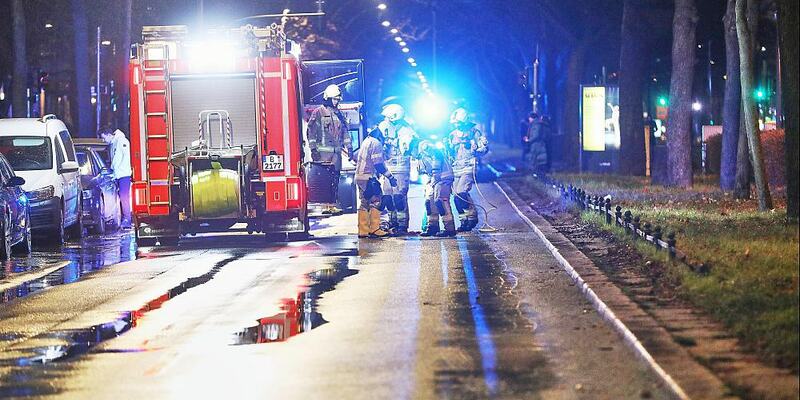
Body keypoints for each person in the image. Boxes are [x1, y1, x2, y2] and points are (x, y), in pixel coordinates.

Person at [306, 84, 353, 214]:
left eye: (338, 99)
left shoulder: (339, 114)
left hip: (336, 155)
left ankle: (332, 204)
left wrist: (349, 148)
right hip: (322, 155)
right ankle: (326, 206)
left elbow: (345, 132)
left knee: (335, 179)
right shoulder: (319, 112)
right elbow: (311, 131)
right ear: (328, 98)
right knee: (325, 181)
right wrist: (313, 149)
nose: (337, 102)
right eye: (335, 99)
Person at [378, 103, 418, 235]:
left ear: (394, 117)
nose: (386, 121)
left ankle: (402, 225)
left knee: (399, 197)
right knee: (388, 197)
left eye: (388, 118)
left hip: (401, 168)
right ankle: (392, 222)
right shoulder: (383, 127)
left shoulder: (407, 130)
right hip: (387, 168)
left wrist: (393, 142)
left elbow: (409, 146)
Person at [447, 108, 488, 233]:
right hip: (455, 168)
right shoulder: (452, 134)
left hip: (468, 167)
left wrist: (475, 149)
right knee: (456, 196)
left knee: (461, 191)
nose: (456, 125)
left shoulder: (474, 133)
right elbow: (449, 152)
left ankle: (472, 216)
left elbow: (484, 148)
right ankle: (464, 221)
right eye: (455, 123)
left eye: (458, 123)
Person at [355, 128, 396, 238]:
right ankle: (375, 229)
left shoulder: (366, 141)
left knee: (364, 203)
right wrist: (390, 177)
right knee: (376, 201)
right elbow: (378, 164)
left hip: (360, 176)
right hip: (369, 177)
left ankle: (363, 230)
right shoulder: (376, 143)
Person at [416, 140, 456, 237]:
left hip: (443, 178)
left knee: (440, 201)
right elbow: (423, 170)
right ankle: (433, 227)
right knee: (429, 202)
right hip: (434, 179)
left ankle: (450, 229)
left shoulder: (432, 150)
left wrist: (434, 178)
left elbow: (436, 168)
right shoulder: (421, 155)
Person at [100, 128, 132, 228]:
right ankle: (125, 218)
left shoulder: (121, 141)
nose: (104, 141)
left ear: (108, 134)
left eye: (104, 138)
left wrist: (115, 170)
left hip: (123, 174)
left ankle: (127, 219)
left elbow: (119, 159)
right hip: (119, 174)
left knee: (124, 197)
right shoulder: (115, 142)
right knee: (122, 197)